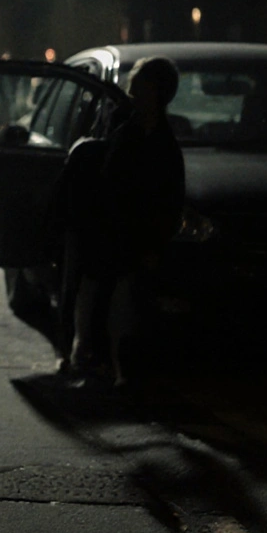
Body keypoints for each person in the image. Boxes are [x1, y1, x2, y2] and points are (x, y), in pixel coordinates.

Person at [62, 56, 184, 387]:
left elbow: (168, 200)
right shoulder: (127, 129)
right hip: (114, 236)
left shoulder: (159, 143)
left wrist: (153, 244)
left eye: (140, 84)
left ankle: (116, 369)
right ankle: (101, 363)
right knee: (105, 302)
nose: (133, 90)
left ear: (155, 91)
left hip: (132, 239)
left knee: (122, 307)